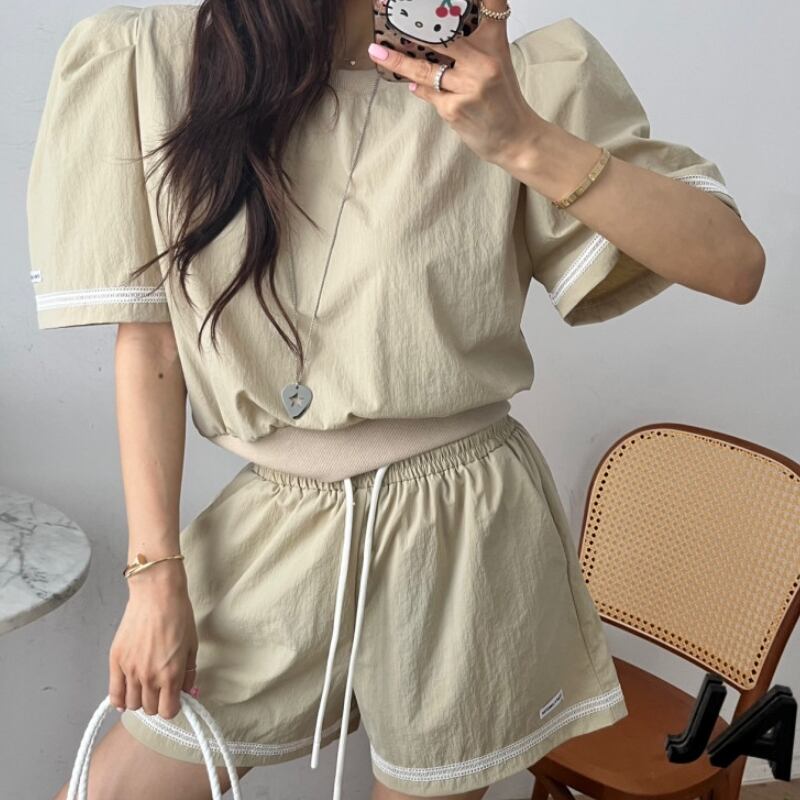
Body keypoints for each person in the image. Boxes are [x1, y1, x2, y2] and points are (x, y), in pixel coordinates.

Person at [28, 1, 765, 798]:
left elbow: (734, 265)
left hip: (465, 524)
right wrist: (153, 576)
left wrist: (521, 138)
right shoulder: (158, 60)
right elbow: (153, 344)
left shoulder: (519, 82)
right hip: (278, 519)